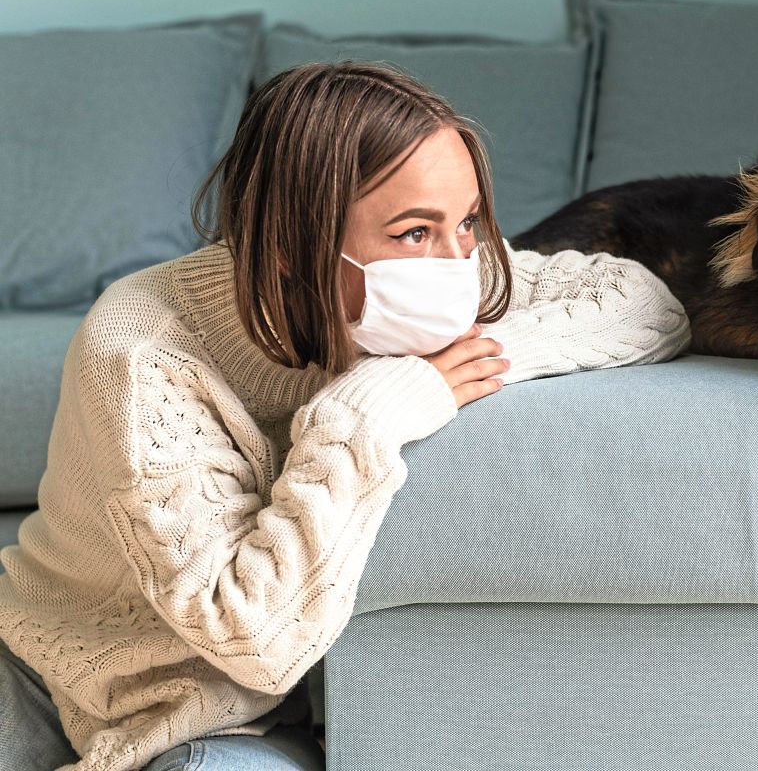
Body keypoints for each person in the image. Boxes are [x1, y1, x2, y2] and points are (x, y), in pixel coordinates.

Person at [0, 60, 691, 771]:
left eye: (468, 222)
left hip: (228, 725)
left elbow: (647, 306)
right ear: (289, 248)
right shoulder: (142, 349)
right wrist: (362, 417)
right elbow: (253, 639)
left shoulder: (456, 271)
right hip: (40, 667)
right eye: (415, 233)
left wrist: (443, 365)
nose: (459, 264)